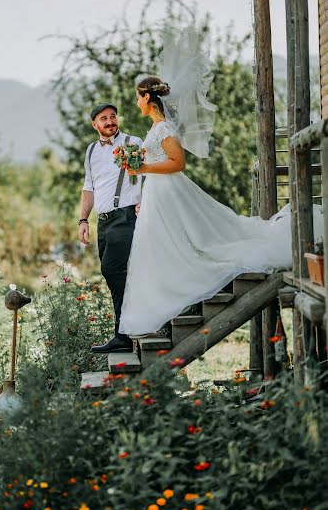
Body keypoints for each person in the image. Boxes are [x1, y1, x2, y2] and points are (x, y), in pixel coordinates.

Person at [118, 74, 323, 336]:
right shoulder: (158, 127)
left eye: (138, 97)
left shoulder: (163, 129)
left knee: (178, 243)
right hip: (157, 193)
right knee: (162, 245)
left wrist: (143, 167)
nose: (137, 102)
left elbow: (178, 163)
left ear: (147, 97)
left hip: (168, 191)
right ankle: (168, 303)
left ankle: (179, 298)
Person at [78, 102, 143, 353]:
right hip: (103, 222)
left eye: (113, 116)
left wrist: (144, 199)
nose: (109, 122)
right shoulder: (92, 150)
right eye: (103, 118)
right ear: (95, 124)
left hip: (126, 216)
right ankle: (128, 329)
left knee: (111, 269)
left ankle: (125, 334)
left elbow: (150, 175)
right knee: (115, 273)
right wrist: (83, 220)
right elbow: (88, 187)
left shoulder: (132, 142)